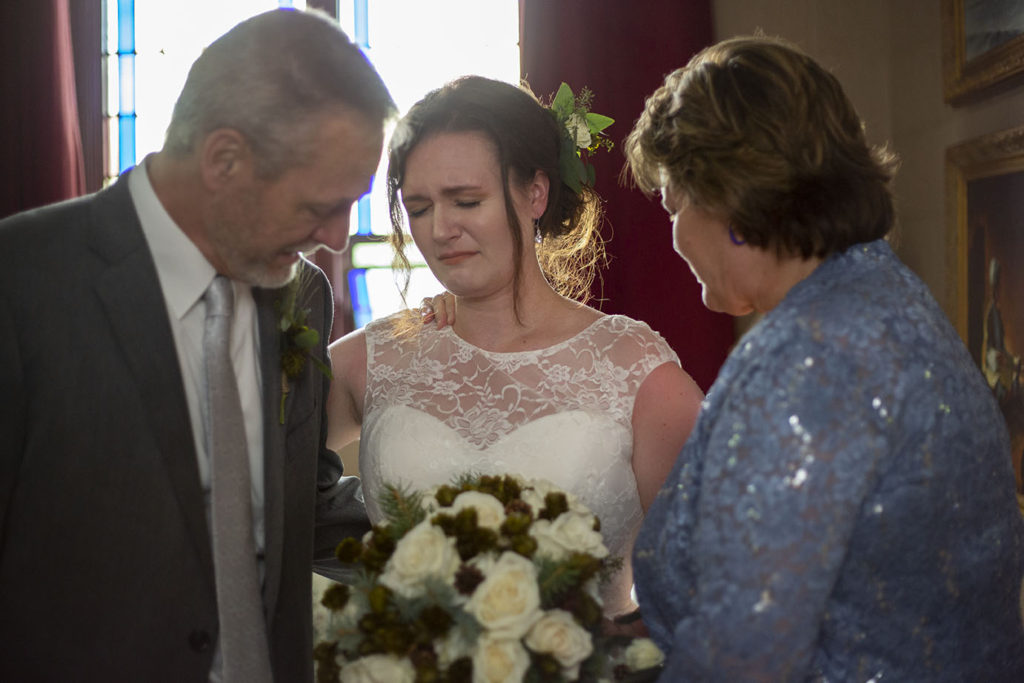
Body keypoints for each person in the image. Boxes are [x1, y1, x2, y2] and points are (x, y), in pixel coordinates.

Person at [0, 9, 395, 682]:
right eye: (315, 205)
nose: (335, 235)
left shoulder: (301, 297)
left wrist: (446, 534)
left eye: (351, 205)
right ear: (224, 159)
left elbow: (298, 506)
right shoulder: (23, 285)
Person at [623, 35, 1024, 680]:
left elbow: (744, 657)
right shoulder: (890, 295)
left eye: (673, 205)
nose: (673, 234)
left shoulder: (803, 361)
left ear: (727, 198)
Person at [325, 75, 704, 619]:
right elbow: (256, 457)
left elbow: (702, 589)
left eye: (466, 200)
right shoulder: (374, 357)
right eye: (421, 207)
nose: (441, 229)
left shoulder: (637, 371)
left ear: (535, 192)